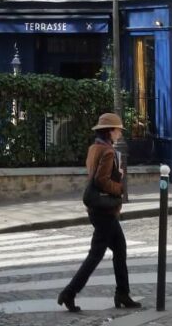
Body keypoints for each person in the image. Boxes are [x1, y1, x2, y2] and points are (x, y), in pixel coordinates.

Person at [57, 112, 142, 313]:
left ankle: (122, 293)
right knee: (96, 255)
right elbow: (101, 181)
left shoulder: (94, 148)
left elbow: (94, 176)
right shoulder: (108, 152)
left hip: (98, 209)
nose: (120, 133)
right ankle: (69, 293)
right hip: (105, 210)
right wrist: (119, 187)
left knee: (119, 250)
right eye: (118, 130)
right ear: (110, 131)